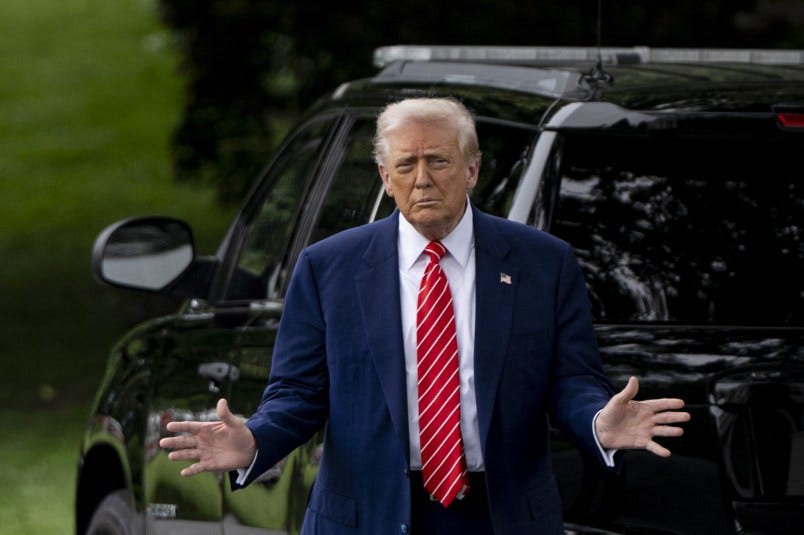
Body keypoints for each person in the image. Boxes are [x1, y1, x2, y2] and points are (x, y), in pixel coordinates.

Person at [159, 97, 690, 534]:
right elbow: (298, 393)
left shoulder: (542, 263)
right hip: (368, 514)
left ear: (472, 169)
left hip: (500, 514)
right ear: (385, 176)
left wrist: (598, 422)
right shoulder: (329, 267)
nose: (422, 180)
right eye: (406, 165)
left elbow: (572, 380)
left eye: (438, 161)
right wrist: (255, 440)